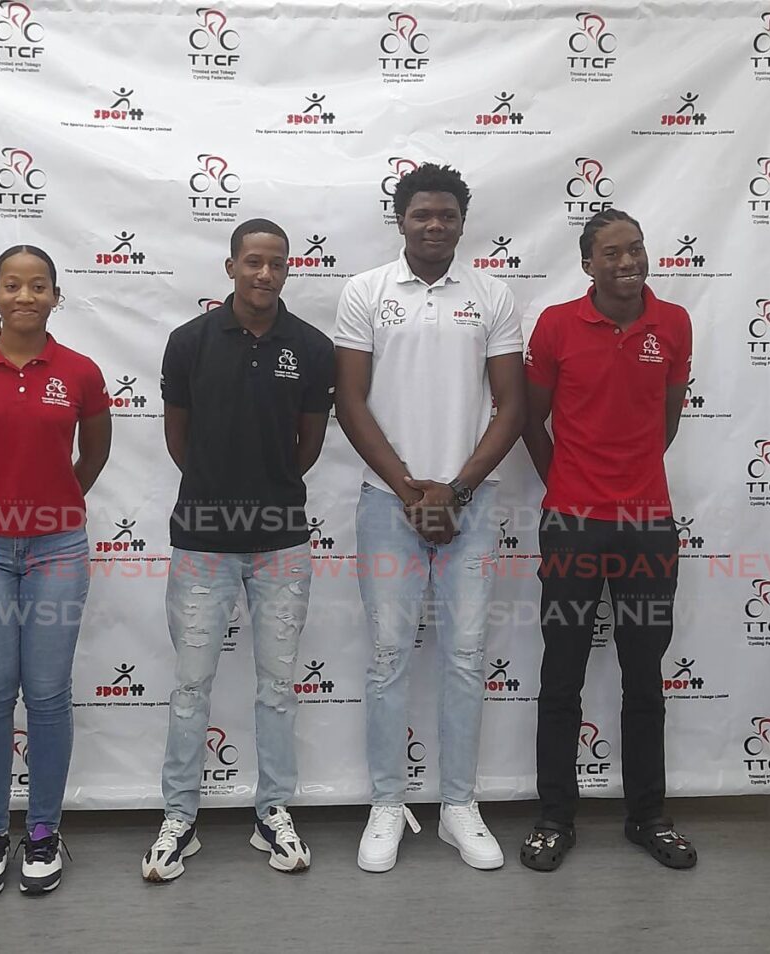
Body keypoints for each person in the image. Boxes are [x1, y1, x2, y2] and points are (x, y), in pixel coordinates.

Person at [334, 163, 525, 872]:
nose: (435, 225)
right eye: (422, 214)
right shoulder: (366, 292)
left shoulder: (493, 295)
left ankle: (458, 807)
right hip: (389, 505)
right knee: (387, 659)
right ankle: (387, 803)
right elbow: (350, 400)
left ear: (462, 223)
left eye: (447, 215)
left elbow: (512, 405)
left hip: (471, 507)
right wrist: (412, 489)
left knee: (467, 656)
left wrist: (456, 490)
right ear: (402, 219)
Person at [142, 219, 335, 881]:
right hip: (202, 542)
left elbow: (306, 447)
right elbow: (180, 439)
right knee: (192, 686)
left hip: (280, 542)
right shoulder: (188, 343)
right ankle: (180, 818)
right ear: (230, 268)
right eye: (252, 262)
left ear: (287, 270)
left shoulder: (310, 348)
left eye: (276, 264)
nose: (264, 274)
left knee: (278, 688)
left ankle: (272, 812)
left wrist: (266, 491)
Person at [520, 209, 696, 871]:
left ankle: (648, 815)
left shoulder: (673, 323)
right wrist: (567, 484)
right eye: (613, 253)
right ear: (588, 263)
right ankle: (553, 817)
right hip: (572, 527)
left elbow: (667, 417)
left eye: (636, 249)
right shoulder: (558, 326)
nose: (628, 262)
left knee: (643, 675)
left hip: (648, 528)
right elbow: (532, 421)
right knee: (561, 672)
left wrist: (629, 478)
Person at [0, 245, 111, 897]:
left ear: (55, 297)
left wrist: (53, 504)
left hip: (57, 550)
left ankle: (41, 832)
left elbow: (92, 454)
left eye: (39, 286)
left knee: (46, 692)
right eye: (13, 285)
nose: (25, 296)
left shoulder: (80, 372)